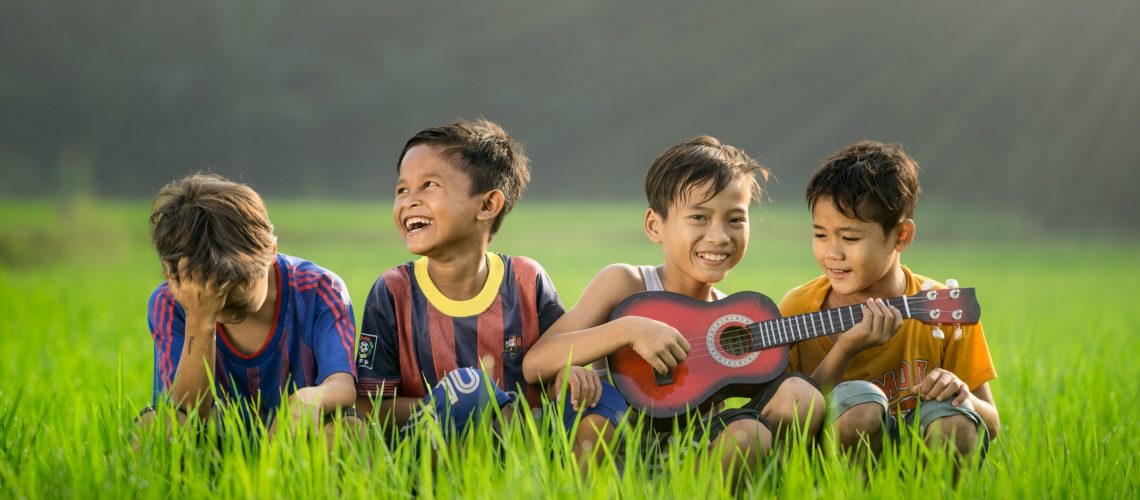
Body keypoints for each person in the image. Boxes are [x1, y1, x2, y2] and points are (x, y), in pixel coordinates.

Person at [522, 136, 825, 481]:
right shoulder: (627, 283)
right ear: (655, 226)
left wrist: (851, 338)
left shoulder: (730, 315)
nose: (719, 236)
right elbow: (535, 363)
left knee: (791, 403)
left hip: (694, 452)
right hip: (620, 445)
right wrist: (630, 329)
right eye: (699, 216)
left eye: (735, 220)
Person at [354, 119, 626, 463]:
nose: (410, 201)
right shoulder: (393, 292)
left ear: (487, 205)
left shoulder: (527, 279)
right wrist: (473, 405)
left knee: (607, 398)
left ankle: (566, 483)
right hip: (431, 452)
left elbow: (557, 363)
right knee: (471, 388)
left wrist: (569, 375)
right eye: (402, 190)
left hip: (526, 444)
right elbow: (371, 405)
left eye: (429, 185)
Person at [779, 140, 1000, 461]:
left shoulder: (943, 309)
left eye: (850, 237)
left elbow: (991, 424)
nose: (832, 253)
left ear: (902, 236)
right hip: (829, 467)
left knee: (955, 423)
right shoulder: (797, 308)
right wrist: (845, 349)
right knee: (859, 410)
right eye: (820, 235)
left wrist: (963, 396)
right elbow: (786, 425)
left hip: (918, 456)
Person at [139, 173, 358, 435]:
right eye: (205, 288)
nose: (217, 298)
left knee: (348, 429)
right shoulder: (170, 302)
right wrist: (200, 318)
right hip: (212, 448)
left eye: (232, 286)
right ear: (174, 275)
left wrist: (309, 399)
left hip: (299, 442)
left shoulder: (320, 290)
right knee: (156, 427)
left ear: (271, 252)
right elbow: (185, 413)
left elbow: (343, 384)